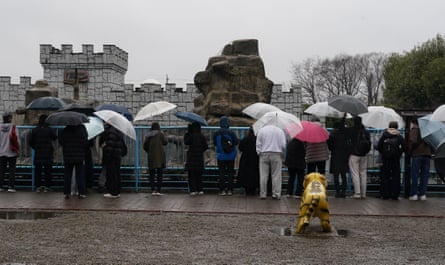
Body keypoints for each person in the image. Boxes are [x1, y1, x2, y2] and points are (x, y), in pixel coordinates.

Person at [256, 125, 287, 200]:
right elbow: (283, 145)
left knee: (263, 175)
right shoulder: (280, 130)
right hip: (276, 153)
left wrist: (259, 152)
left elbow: (258, 144)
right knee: (276, 175)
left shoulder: (261, 130)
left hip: (264, 153)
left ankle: (263, 194)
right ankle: (276, 194)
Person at [377, 121, 406, 200]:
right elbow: (404, 147)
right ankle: (394, 194)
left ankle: (385, 194)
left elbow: (379, 146)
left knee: (385, 176)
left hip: (385, 159)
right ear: (397, 127)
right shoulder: (399, 136)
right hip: (395, 159)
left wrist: (383, 153)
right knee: (395, 176)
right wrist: (398, 153)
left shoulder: (384, 135)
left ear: (389, 126)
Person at [59, 125, 88, 199]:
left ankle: (67, 193)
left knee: (67, 175)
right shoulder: (82, 130)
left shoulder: (65, 130)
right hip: (79, 156)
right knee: (80, 175)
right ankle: (81, 193)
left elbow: (61, 142)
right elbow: (85, 142)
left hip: (68, 156)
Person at [29, 114, 57, 192]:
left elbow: (30, 142)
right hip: (48, 153)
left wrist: (35, 147)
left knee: (38, 170)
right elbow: (54, 137)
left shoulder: (35, 130)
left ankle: (38, 186)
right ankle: (47, 186)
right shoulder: (49, 129)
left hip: (38, 153)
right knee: (48, 170)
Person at [99, 123, 127, 198]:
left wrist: (105, 150)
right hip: (117, 156)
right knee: (116, 174)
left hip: (111, 157)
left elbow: (110, 145)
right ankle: (117, 191)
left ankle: (112, 192)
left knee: (111, 174)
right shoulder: (118, 131)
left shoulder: (110, 132)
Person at [213, 116, 239, 196]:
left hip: (221, 156)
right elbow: (236, 142)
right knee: (231, 173)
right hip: (231, 155)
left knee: (221, 173)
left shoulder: (216, 133)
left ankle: (222, 190)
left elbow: (215, 143)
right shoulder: (231, 132)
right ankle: (230, 190)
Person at [347, 116, 371, 199]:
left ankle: (357, 193)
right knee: (363, 173)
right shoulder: (366, 132)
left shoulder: (351, 130)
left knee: (355, 173)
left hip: (354, 154)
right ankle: (364, 193)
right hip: (363, 155)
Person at [408, 119, 432, 201]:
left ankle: (414, 194)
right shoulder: (427, 131)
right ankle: (423, 194)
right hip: (427, 154)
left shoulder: (415, 130)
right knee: (425, 175)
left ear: (414, 123)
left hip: (417, 155)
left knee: (415, 175)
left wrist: (410, 151)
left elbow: (413, 142)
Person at [184, 122, 208, 196]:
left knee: (191, 175)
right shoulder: (201, 136)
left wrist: (187, 133)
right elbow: (206, 146)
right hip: (199, 157)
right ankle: (200, 189)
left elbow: (186, 142)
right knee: (199, 175)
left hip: (191, 157)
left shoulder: (191, 136)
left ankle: (193, 190)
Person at [143, 122, 167, 195]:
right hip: (160, 156)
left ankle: (153, 190)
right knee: (160, 174)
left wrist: (149, 151)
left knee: (152, 174)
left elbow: (145, 146)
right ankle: (159, 190)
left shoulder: (148, 135)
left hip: (151, 156)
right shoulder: (160, 134)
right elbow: (165, 142)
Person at [327, 121, 349, 198]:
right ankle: (344, 192)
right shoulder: (345, 134)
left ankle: (337, 191)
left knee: (336, 175)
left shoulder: (332, 134)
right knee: (343, 174)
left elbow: (329, 146)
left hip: (335, 155)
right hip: (344, 156)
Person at [0, 112, 19, 192]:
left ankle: (0, 186)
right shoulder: (13, 127)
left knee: (1, 169)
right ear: (9, 118)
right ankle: (11, 187)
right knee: (12, 169)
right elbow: (17, 139)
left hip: (1, 151)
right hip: (12, 151)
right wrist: (18, 150)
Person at [237, 127, 260, 196]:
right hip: (255, 159)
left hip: (245, 159)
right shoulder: (257, 140)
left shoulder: (245, 139)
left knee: (246, 174)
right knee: (255, 173)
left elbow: (240, 148)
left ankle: (247, 189)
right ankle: (254, 189)